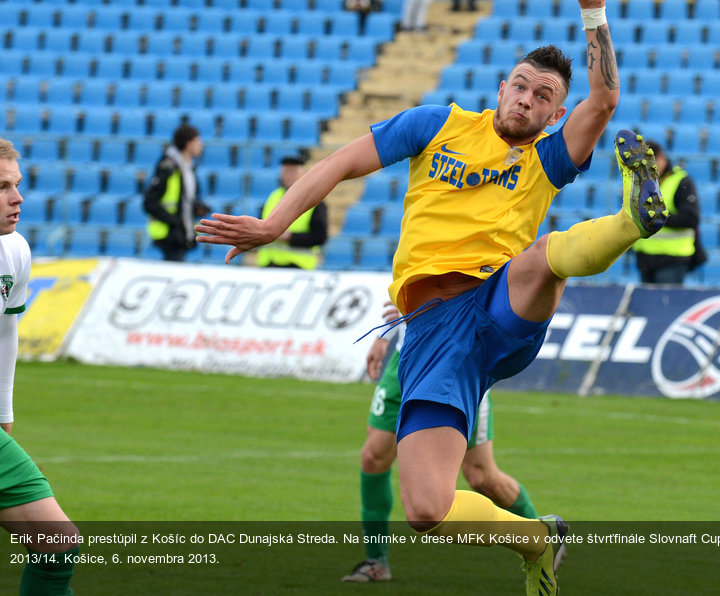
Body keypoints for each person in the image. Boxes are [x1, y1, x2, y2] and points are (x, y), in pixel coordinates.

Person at [197, 2, 667, 592]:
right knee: (426, 510)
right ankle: (538, 539)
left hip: (498, 307)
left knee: (542, 258)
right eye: (520, 86)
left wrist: (594, 12)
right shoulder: (435, 126)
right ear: (501, 88)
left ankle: (630, 221)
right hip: (430, 337)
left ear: (556, 114)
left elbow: (604, 102)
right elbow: (341, 163)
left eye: (543, 96)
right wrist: (273, 225)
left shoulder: (546, 159)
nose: (527, 98)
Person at [341, 302, 538, 582]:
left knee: (482, 477)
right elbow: (408, 280)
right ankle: (376, 561)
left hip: (454, 360)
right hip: (407, 357)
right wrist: (385, 334)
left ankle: (544, 537)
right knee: (373, 457)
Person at [0, 137, 81, 595]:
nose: (17, 198)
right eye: (1, 186)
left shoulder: (14, 251)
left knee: (56, 543)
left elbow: (5, 336)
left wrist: (2, 415)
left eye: (18, 184)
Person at [631, 140, 704, 284]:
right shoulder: (638, 181)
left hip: (672, 259)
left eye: (650, 163)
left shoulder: (681, 182)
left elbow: (690, 218)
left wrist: (656, 216)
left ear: (661, 158)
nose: (646, 168)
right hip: (645, 259)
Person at [143, 123, 210, 262]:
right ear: (188, 144)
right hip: (170, 234)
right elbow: (149, 202)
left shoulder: (189, 168)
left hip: (182, 232)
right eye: (197, 141)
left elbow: (185, 199)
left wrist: (198, 207)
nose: (201, 145)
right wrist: (175, 222)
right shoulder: (168, 167)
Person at [255, 155, 328, 269]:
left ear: (303, 174)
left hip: (298, 266)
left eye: (293, 172)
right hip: (269, 264)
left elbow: (320, 237)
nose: (288, 176)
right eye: (286, 171)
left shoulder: (315, 200)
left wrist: (290, 237)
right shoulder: (272, 197)